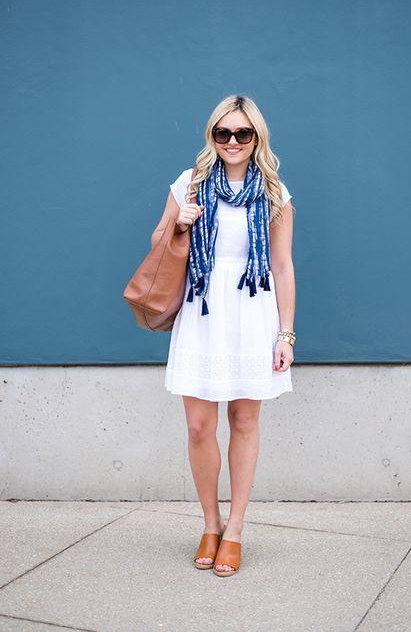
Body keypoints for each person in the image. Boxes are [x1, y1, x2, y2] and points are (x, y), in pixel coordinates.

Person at [151, 94, 296, 577]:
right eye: (222, 133)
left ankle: (234, 530)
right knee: (197, 426)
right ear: (212, 136)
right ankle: (209, 524)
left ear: (257, 137)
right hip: (203, 310)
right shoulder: (189, 184)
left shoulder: (275, 194)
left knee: (245, 421)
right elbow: (157, 244)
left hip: (253, 311)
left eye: (242, 134)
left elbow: (281, 265)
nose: (232, 142)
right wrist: (180, 220)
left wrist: (285, 334)